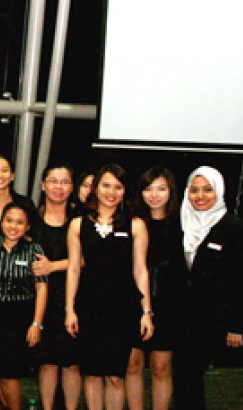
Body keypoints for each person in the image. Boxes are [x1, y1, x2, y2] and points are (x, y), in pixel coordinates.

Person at [65, 163, 154, 410]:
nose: (111, 192)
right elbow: (73, 269)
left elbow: (141, 270)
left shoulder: (135, 224)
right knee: (91, 374)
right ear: (96, 188)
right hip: (89, 306)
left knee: (116, 376)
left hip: (123, 308)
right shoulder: (78, 225)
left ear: (125, 191)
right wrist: (70, 310)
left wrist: (146, 311)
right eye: (106, 185)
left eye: (118, 186)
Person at [174, 166, 243, 410]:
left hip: (217, 320)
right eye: (194, 190)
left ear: (219, 191)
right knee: (185, 379)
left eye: (207, 189)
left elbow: (240, 279)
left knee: (212, 385)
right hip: (184, 319)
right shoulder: (181, 224)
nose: (200, 196)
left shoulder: (234, 227)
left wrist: (237, 326)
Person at [0, 201, 48, 410]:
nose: (13, 226)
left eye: (19, 222)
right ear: (1, 222)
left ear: (28, 226)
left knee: (9, 373)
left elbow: (42, 289)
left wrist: (37, 324)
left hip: (20, 316)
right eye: (9, 220)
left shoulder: (34, 250)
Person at [125, 166, 184, 410]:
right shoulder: (132, 222)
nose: (155, 195)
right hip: (133, 299)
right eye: (148, 189)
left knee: (161, 366)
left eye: (161, 189)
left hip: (170, 303)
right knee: (132, 364)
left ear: (171, 191)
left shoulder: (184, 223)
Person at [31, 164, 82, 410]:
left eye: (64, 182)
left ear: (72, 188)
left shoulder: (80, 220)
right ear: (43, 185)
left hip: (72, 297)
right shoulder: (31, 219)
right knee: (47, 361)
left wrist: (54, 266)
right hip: (39, 300)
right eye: (53, 181)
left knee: (71, 363)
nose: (58, 187)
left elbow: (86, 258)